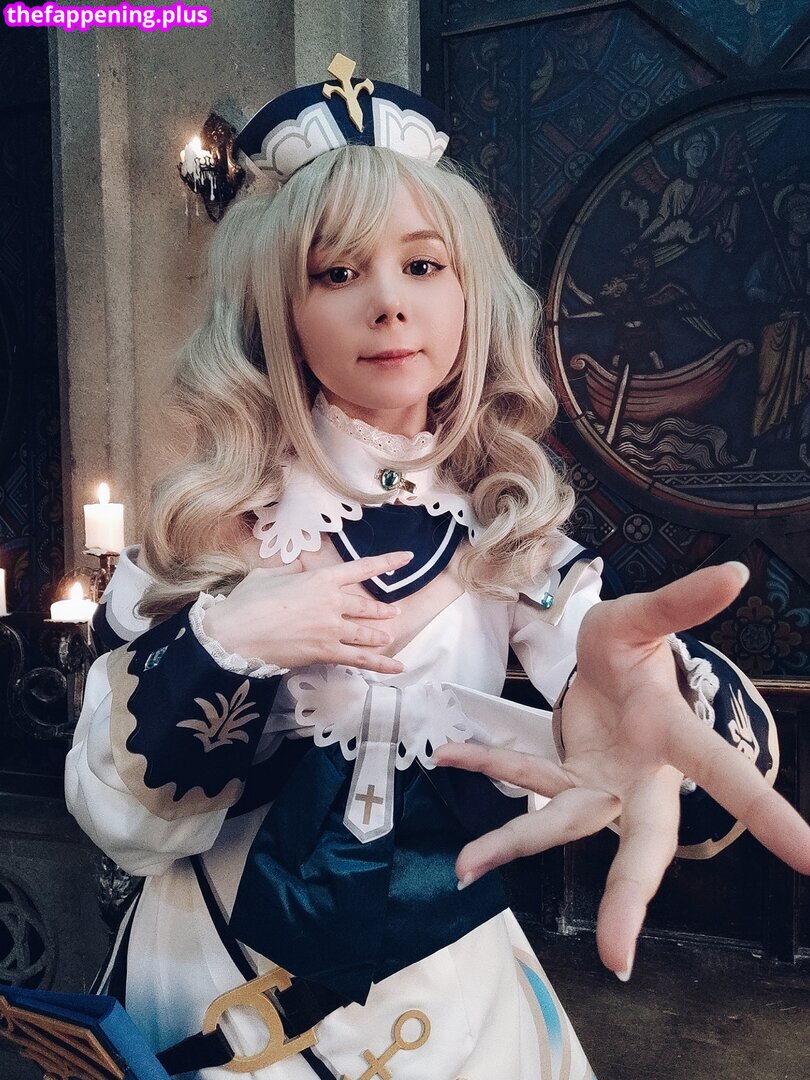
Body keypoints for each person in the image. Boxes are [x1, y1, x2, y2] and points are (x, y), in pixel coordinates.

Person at [65, 56, 810, 1080]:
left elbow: (624, 686)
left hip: (452, 989)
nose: (388, 304)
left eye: (423, 266)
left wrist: (655, 696)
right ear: (277, 310)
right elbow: (121, 820)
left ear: (469, 295)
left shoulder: (511, 524)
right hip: (215, 972)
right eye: (336, 273)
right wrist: (228, 643)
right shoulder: (206, 522)